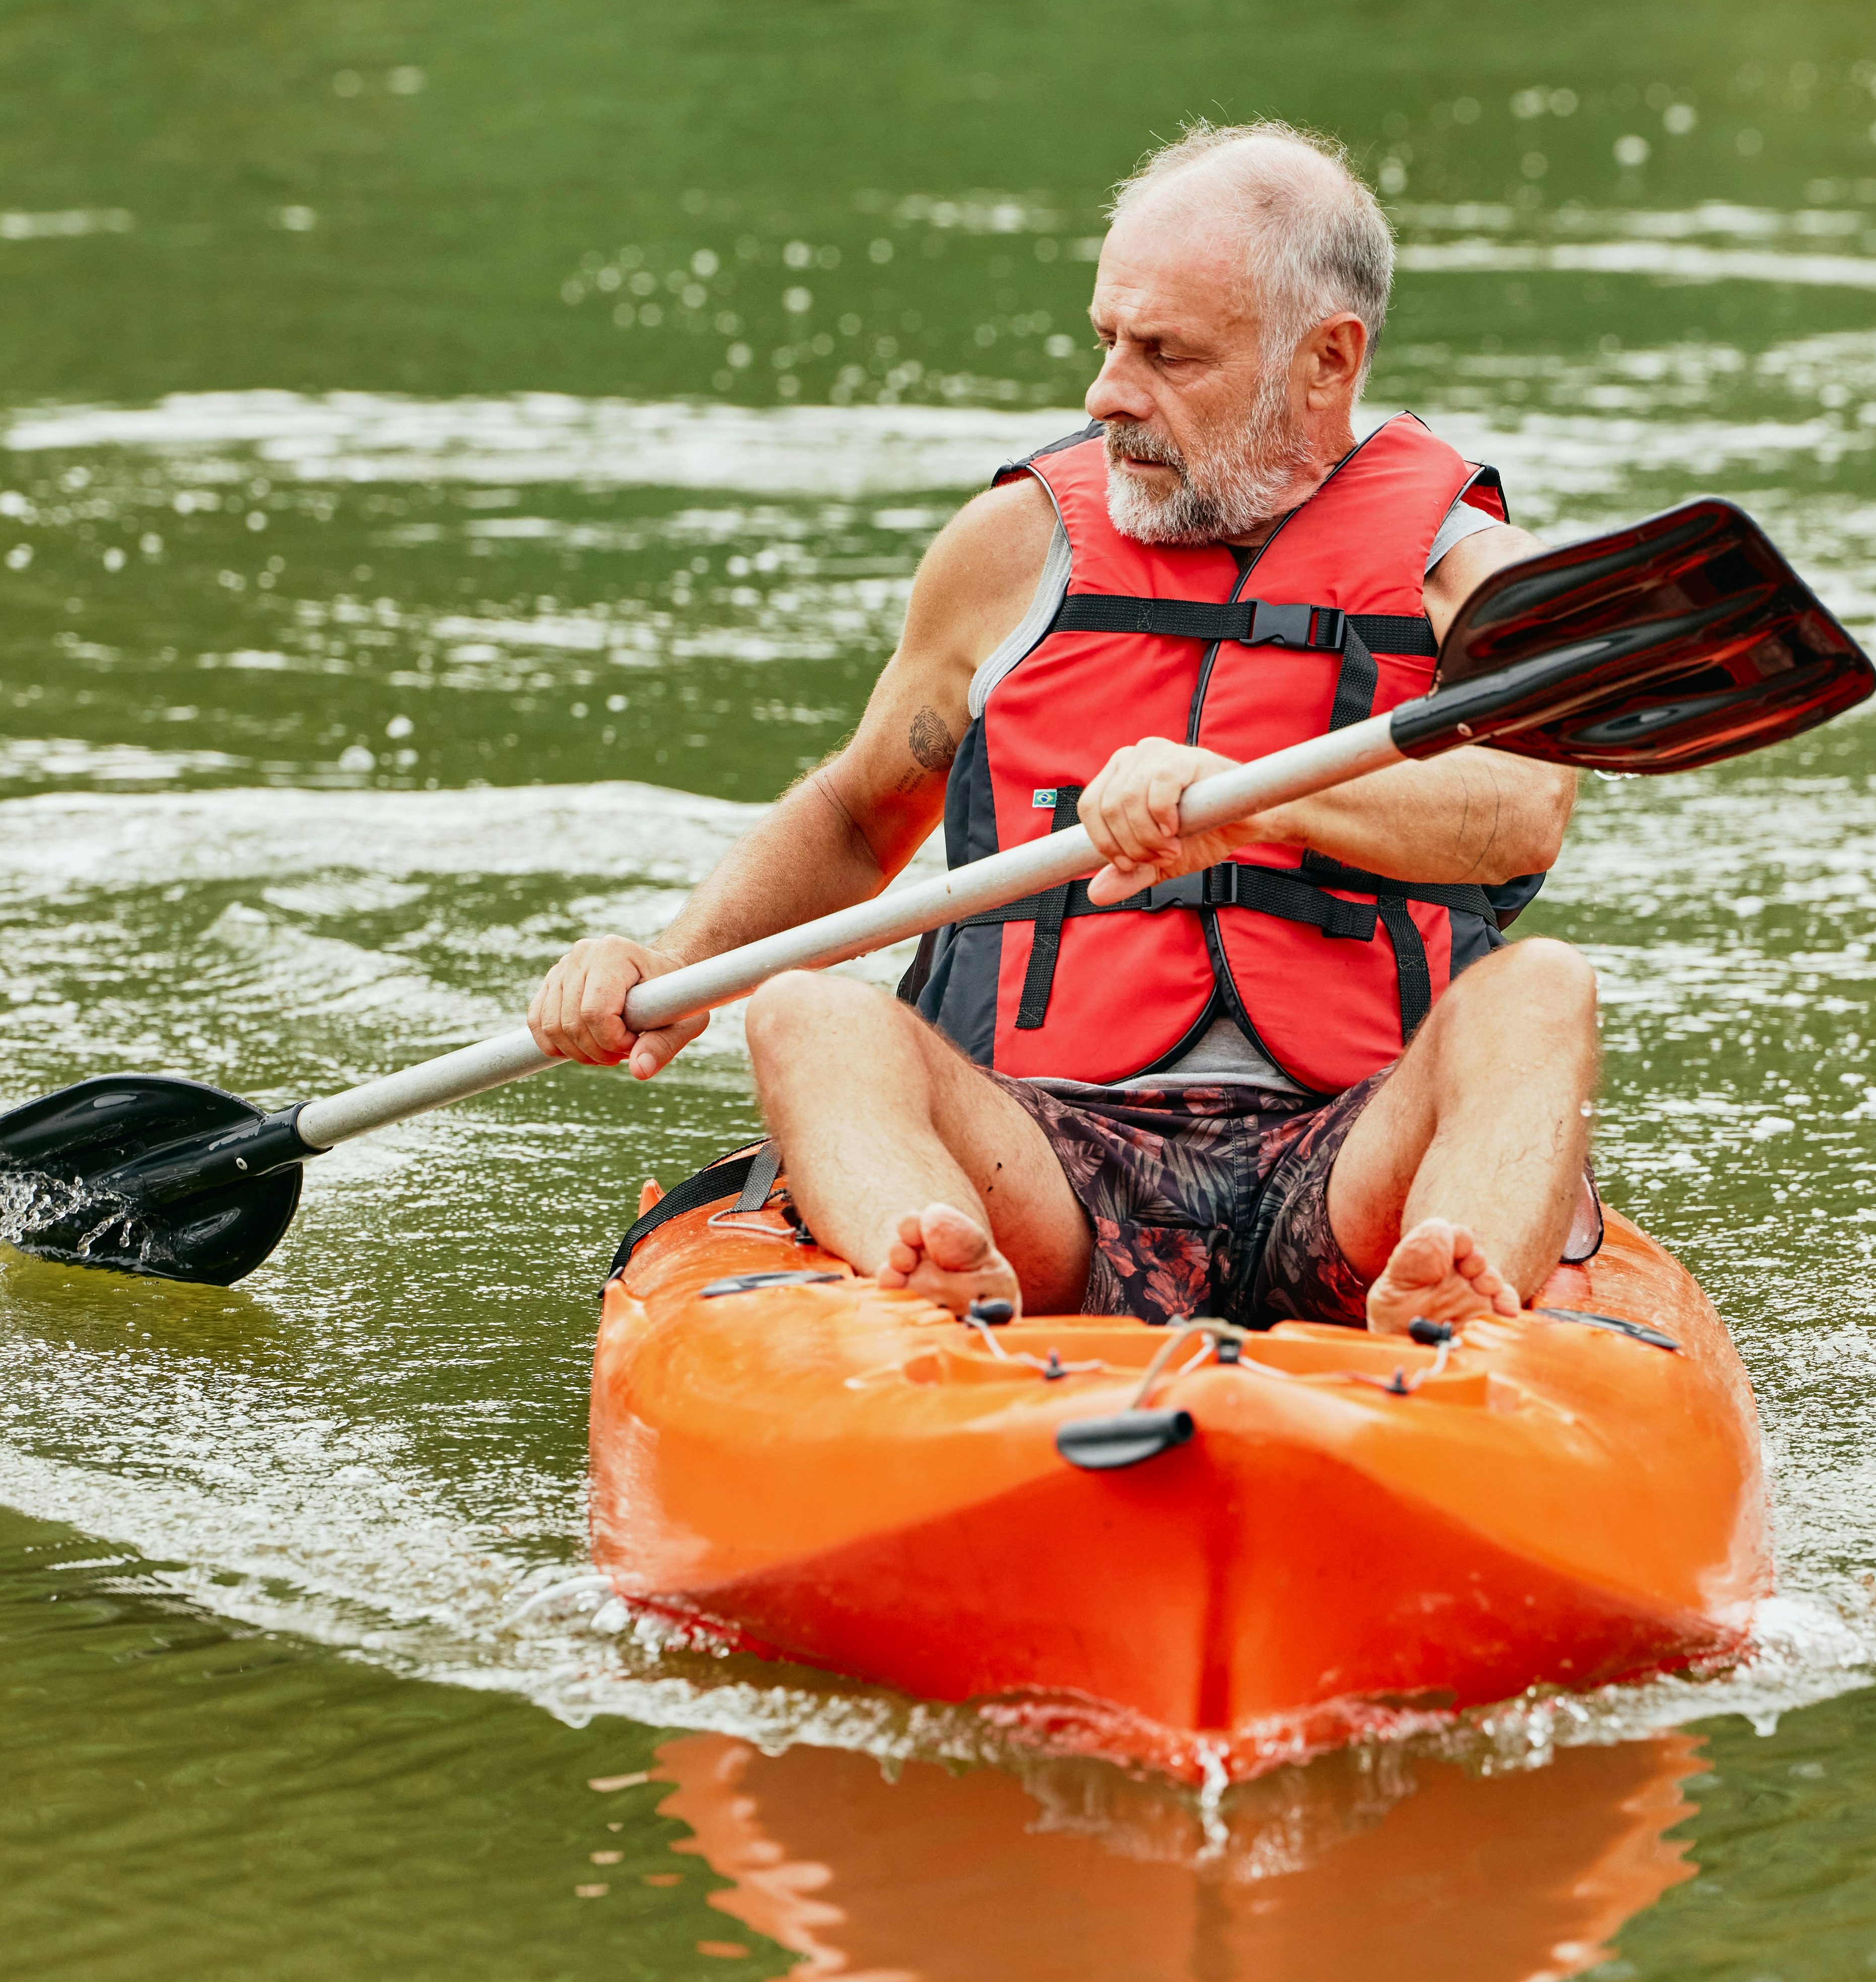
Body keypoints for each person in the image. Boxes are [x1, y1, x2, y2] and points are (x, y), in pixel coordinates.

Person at [529, 120, 1601, 1336]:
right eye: (1107, 340)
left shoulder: (1468, 577)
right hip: (1045, 1154)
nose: (1107, 393)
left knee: (1542, 989)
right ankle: (935, 1269)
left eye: (1167, 353)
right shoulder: (1012, 551)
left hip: (1353, 1150)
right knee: (803, 1012)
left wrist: (1254, 798)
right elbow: (857, 814)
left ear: (1327, 360)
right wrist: (671, 962)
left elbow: (1526, 808)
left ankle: (1456, 1303)